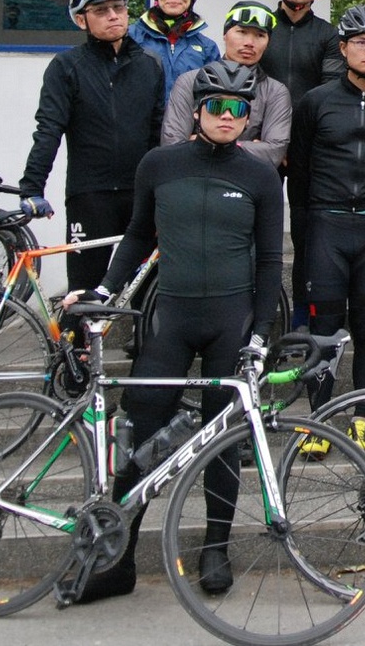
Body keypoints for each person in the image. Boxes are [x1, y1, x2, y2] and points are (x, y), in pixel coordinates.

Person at [60, 61, 283, 602]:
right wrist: (104, 291)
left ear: (248, 117)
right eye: (217, 106)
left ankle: (215, 549)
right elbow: (138, 236)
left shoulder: (259, 175)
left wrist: (261, 332)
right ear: (198, 111)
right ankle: (118, 559)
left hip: (232, 321)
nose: (228, 116)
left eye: (239, 108)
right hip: (172, 318)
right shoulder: (159, 165)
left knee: (221, 439)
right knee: (139, 431)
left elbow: (270, 261)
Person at [286, 5, 365, 410]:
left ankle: (363, 419)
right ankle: (319, 421)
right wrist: (305, 232)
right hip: (326, 226)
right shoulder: (315, 102)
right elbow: (299, 171)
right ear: (343, 48)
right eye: (360, 42)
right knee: (324, 330)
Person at [18, 0, 163, 292]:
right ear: (81, 20)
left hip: (140, 195)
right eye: (100, 10)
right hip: (90, 196)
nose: (113, 15)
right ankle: (78, 328)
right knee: (83, 290)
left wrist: (164, 188)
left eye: (118, 7)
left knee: (146, 290)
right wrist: (31, 188)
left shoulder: (150, 65)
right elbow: (49, 129)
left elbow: (157, 134)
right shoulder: (66, 66)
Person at [160, 1, 291, 166]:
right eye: (242, 32)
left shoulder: (275, 92)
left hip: (246, 179)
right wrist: (250, 147)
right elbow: (172, 144)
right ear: (225, 35)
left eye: (260, 35)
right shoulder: (189, 81)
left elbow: (274, 152)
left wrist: (201, 142)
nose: (249, 42)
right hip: (193, 174)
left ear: (268, 42)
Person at [127, 0, 221, 107]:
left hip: (186, 122)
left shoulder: (207, 48)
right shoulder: (131, 37)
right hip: (141, 121)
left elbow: (213, 96)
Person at [260, 0, 347, 108]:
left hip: (309, 119)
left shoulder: (330, 34)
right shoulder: (261, 27)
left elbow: (331, 89)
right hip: (262, 118)